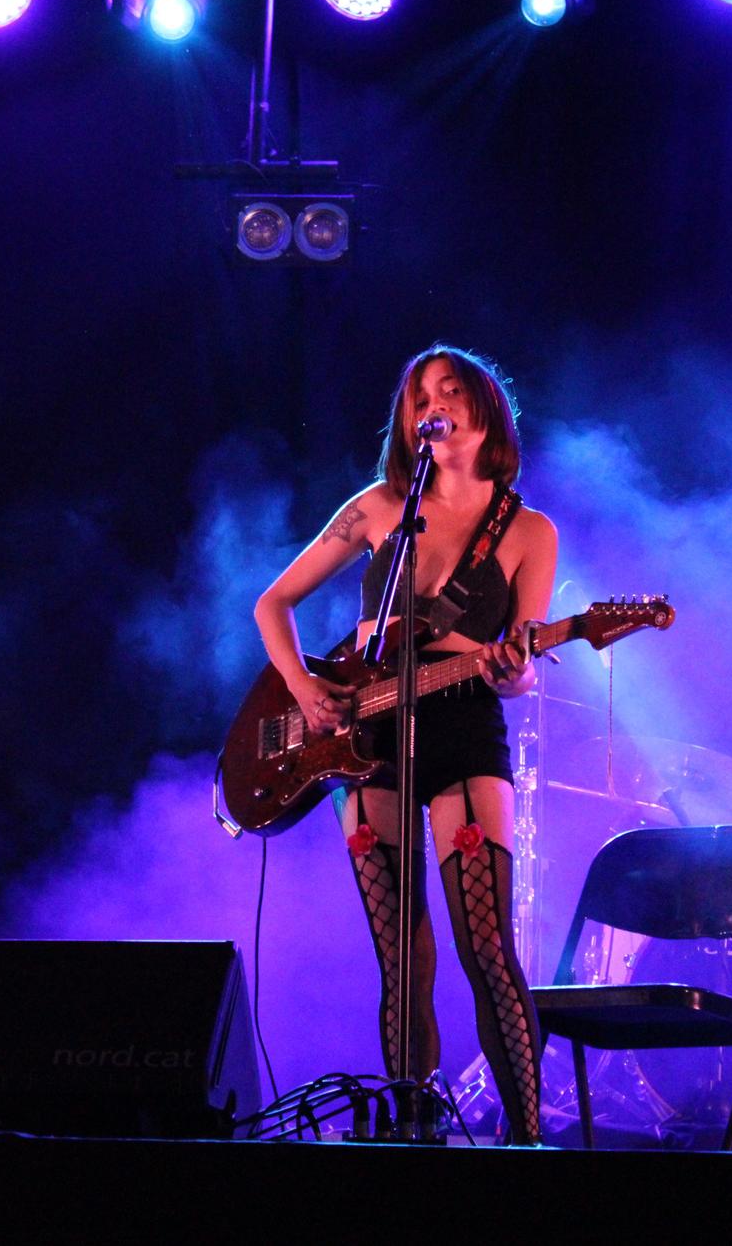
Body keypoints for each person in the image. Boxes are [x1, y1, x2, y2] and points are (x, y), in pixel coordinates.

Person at [253, 345, 556, 1144]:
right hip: (367, 733)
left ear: (484, 407)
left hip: (463, 728)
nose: (435, 400)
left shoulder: (528, 529)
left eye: (451, 388)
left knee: (486, 947)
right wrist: (306, 688)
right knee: (401, 955)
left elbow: (523, 676)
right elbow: (273, 603)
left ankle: (528, 1140)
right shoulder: (383, 505)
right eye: (421, 392)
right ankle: (409, 1133)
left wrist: (513, 667)